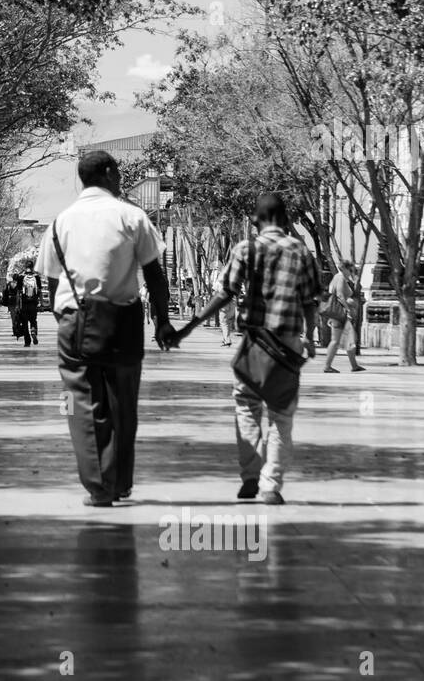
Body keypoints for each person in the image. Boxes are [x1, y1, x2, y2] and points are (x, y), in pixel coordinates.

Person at [37, 150, 175, 508]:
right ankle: (120, 482)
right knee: (123, 403)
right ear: (110, 173)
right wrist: (162, 321)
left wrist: (66, 321)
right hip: (124, 321)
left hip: (74, 320)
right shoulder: (132, 216)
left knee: (81, 405)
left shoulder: (60, 223)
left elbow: (53, 284)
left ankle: (99, 486)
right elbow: (155, 275)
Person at [168, 193, 319, 505]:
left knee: (246, 408)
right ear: (287, 220)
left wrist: (188, 327)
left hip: (254, 344)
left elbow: (225, 293)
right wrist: (311, 337)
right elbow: (310, 302)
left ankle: (250, 474)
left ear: (255, 220)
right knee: (281, 417)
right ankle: (270, 486)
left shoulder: (246, 249)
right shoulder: (302, 252)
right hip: (287, 348)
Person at [323, 258, 366, 373]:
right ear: (346, 268)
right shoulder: (340, 278)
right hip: (340, 314)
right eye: (351, 269)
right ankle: (327, 366)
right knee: (338, 340)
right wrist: (348, 309)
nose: (352, 271)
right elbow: (340, 296)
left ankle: (354, 365)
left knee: (349, 339)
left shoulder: (338, 277)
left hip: (339, 315)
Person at [212, 259, 235, 346]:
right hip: (232, 302)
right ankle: (226, 338)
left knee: (223, 322)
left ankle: (227, 339)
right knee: (228, 321)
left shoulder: (219, 281)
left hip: (223, 303)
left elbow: (214, 292)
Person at [18, 266, 42, 346]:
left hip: (24, 304)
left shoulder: (21, 277)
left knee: (24, 323)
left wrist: (17, 305)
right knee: (33, 320)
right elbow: (39, 291)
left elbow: (18, 292)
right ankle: (33, 330)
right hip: (33, 303)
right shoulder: (37, 277)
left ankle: (27, 342)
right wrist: (40, 303)